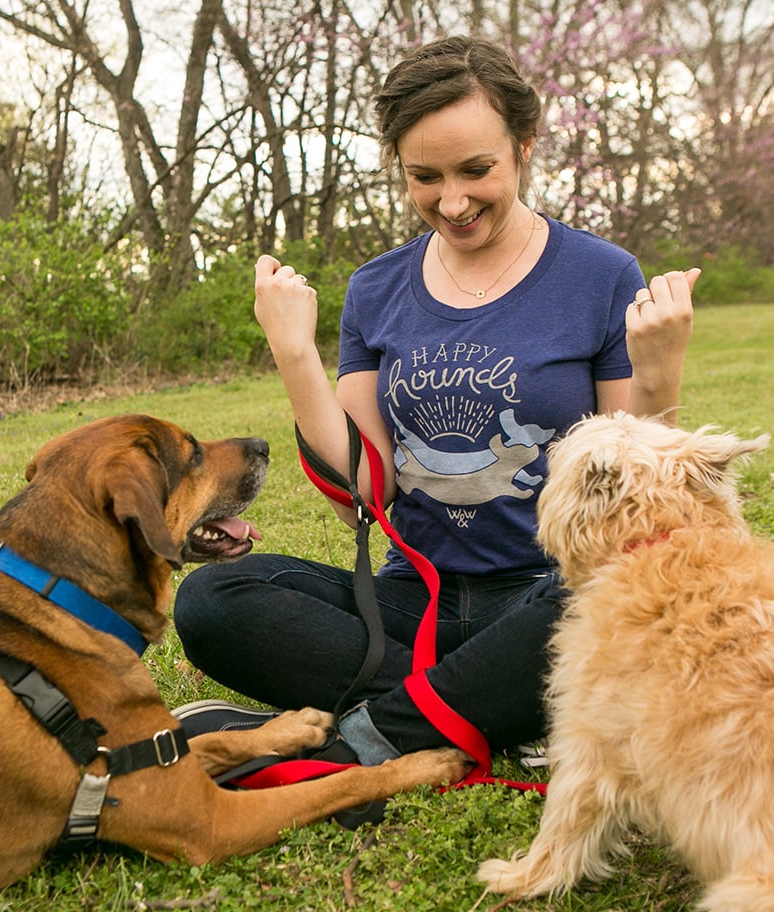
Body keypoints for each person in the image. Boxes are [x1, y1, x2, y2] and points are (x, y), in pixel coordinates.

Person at [173, 36, 697, 777]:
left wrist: (660, 372)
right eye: (425, 176)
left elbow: (640, 497)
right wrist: (295, 353)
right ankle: (501, 710)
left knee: (617, 596)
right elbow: (365, 492)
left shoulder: (600, 276)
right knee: (213, 601)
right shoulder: (377, 289)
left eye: (476, 170)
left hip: (548, 595)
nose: (451, 202)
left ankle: (359, 736)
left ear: (523, 146)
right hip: (412, 604)